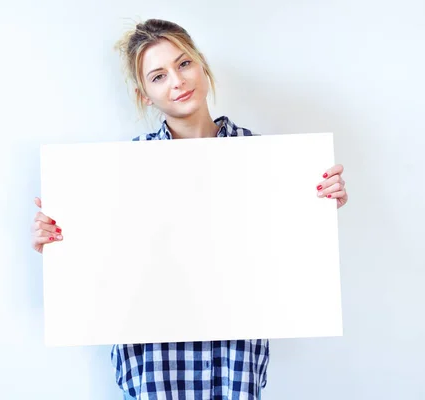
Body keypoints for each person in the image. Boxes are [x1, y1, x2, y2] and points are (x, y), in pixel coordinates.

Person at [31, 18, 349, 400]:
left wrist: (317, 203)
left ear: (201, 65)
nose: (178, 81)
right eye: (159, 76)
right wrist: (58, 239)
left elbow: (285, 254)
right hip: (152, 365)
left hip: (233, 361)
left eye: (183, 64)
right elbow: (102, 267)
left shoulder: (264, 159)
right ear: (145, 94)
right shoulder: (121, 168)